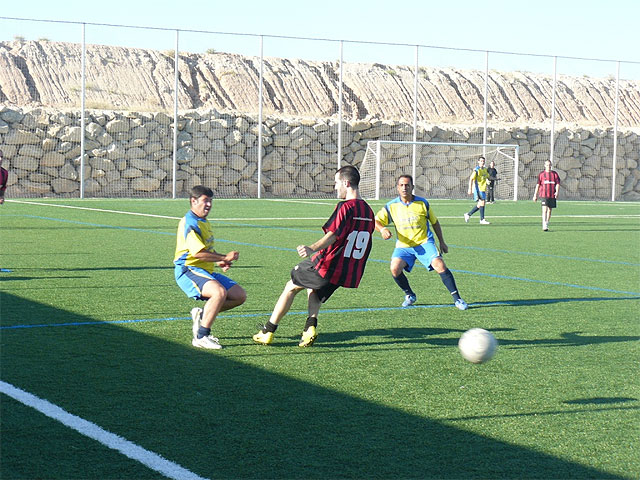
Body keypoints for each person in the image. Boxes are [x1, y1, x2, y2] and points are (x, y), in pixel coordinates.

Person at [253, 165, 375, 347]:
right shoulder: (368, 211)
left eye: (336, 183)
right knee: (313, 288)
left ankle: (268, 331)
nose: (335, 187)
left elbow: (333, 234)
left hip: (328, 264)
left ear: (346, 183)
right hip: (346, 270)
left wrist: (312, 248)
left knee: (290, 286)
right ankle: (309, 328)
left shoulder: (345, 207)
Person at [375, 175, 468, 310]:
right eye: (401, 185)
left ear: (412, 187)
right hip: (404, 246)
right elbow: (375, 221)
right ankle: (409, 295)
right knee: (394, 268)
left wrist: (442, 242)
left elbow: (434, 222)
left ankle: (457, 299)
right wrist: (382, 229)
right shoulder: (391, 206)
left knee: (440, 265)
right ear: (397, 188)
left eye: (407, 185)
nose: (404, 188)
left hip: (424, 243)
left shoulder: (422, 203)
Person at [174, 185, 247, 349]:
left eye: (211, 201)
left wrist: (219, 261)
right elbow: (198, 253)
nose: (209, 204)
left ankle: (202, 315)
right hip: (188, 270)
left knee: (239, 295)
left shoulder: (203, 221)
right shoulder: (190, 223)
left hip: (205, 270)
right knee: (218, 292)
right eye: (205, 200)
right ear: (194, 201)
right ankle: (201, 336)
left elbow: (206, 249)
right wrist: (224, 257)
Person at [533, 159, 561, 231]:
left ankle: (547, 222)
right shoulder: (541, 174)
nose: (548, 166)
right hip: (544, 195)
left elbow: (557, 184)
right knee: (544, 209)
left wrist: (557, 192)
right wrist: (535, 195)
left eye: (550, 165)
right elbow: (538, 185)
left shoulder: (555, 174)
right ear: (545, 166)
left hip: (552, 195)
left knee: (549, 210)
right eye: (547, 165)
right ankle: (544, 224)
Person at [464, 156, 491, 224]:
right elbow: (471, 179)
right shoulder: (476, 170)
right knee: (482, 202)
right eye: (481, 161)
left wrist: (488, 180)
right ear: (478, 162)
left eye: (483, 161)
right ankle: (482, 219)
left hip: (483, 189)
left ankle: (468, 214)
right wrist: (470, 189)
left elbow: (487, 177)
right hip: (478, 189)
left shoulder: (485, 170)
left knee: (480, 204)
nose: (482, 162)